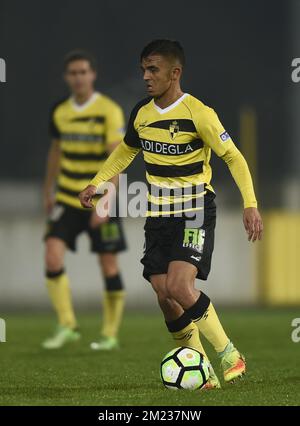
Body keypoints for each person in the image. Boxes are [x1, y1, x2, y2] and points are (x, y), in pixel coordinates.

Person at [79, 40, 263, 388]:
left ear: (174, 73)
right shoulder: (142, 113)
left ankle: (228, 353)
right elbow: (125, 151)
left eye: (153, 70)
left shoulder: (199, 113)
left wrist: (250, 203)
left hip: (194, 209)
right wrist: (97, 182)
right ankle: (202, 369)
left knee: (180, 285)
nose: (146, 77)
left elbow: (234, 157)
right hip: (159, 214)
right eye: (143, 70)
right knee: (164, 295)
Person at [43, 50, 127, 350]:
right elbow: (55, 152)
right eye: (73, 73)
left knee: (108, 263)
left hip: (99, 197)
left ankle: (110, 334)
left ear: (93, 75)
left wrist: (106, 203)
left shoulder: (109, 110)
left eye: (83, 72)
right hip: (67, 198)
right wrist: (47, 191)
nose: (78, 78)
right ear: (67, 77)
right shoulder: (60, 111)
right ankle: (67, 325)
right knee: (52, 255)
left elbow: (116, 158)